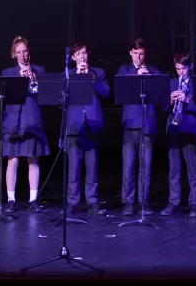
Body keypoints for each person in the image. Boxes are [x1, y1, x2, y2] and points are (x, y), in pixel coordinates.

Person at [1, 36, 49, 213]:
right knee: (12, 160)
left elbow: (44, 96)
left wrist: (34, 80)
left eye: (25, 51)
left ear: (29, 52)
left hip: (32, 119)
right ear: (14, 54)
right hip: (14, 121)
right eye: (18, 52)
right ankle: (11, 199)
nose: (22, 55)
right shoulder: (8, 73)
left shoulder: (40, 70)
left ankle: (33, 199)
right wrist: (19, 83)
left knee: (33, 160)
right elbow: (6, 97)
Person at [117, 38, 164, 217]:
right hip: (130, 123)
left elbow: (161, 97)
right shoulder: (124, 70)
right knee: (128, 166)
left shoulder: (155, 72)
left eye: (142, 53)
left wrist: (149, 79)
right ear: (130, 53)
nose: (139, 57)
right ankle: (128, 203)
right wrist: (136, 77)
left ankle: (143, 202)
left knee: (146, 166)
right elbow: (120, 90)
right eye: (136, 53)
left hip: (148, 123)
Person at [65, 42, 110, 214]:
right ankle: (73, 201)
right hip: (74, 123)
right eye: (79, 54)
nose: (82, 56)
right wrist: (77, 76)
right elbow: (64, 96)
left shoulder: (98, 73)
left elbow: (106, 93)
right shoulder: (67, 74)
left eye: (84, 53)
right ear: (73, 57)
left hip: (92, 122)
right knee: (74, 166)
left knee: (92, 165)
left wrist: (92, 77)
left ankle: (93, 201)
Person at [162, 53, 196, 219]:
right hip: (173, 128)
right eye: (178, 69)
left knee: (193, 169)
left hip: (191, 129)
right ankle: (173, 202)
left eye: (183, 69)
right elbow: (164, 107)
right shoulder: (171, 83)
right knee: (174, 169)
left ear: (190, 67)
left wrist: (186, 100)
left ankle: (195, 203)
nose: (181, 73)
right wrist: (171, 102)